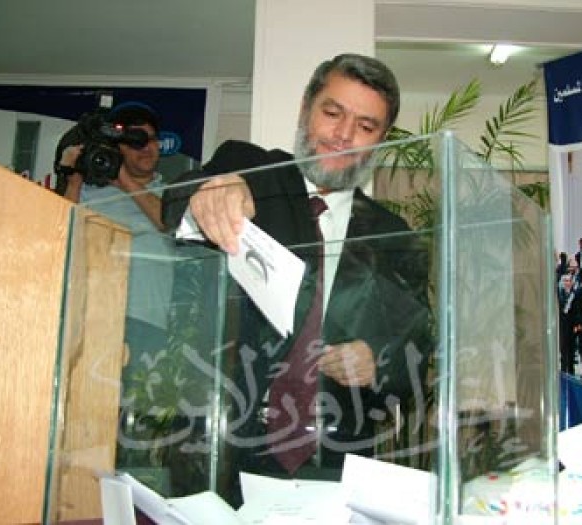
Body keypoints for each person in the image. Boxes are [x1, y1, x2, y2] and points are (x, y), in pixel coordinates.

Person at [162, 54, 432, 506]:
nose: (343, 134)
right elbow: (176, 201)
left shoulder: (394, 237)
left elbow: (418, 354)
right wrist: (208, 196)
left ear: (380, 141)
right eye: (333, 112)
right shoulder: (250, 169)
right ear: (306, 108)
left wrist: (378, 362)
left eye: (365, 126)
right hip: (220, 445)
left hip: (336, 461)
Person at [54, 103, 175, 449]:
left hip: (148, 325)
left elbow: (167, 222)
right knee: (84, 422)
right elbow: (61, 235)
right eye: (136, 141)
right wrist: (73, 178)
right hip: (94, 319)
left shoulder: (169, 193)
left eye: (151, 139)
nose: (147, 147)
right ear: (117, 148)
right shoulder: (91, 193)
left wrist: (123, 180)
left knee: (135, 428)